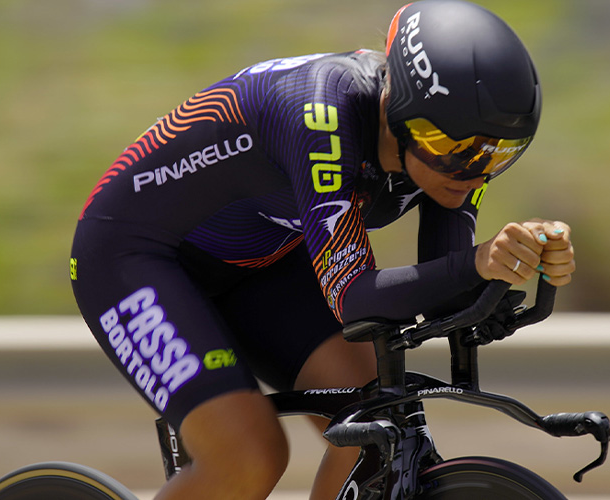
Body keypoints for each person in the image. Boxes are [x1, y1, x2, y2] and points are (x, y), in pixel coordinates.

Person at [70, 0, 575, 498]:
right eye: (452, 150)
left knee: (376, 429)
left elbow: (448, 285)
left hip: (260, 260)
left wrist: (519, 257)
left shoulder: (453, 145)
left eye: (500, 155)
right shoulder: (324, 115)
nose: (473, 173)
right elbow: (355, 298)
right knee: (247, 456)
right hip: (133, 257)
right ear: (400, 114)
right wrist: (477, 263)